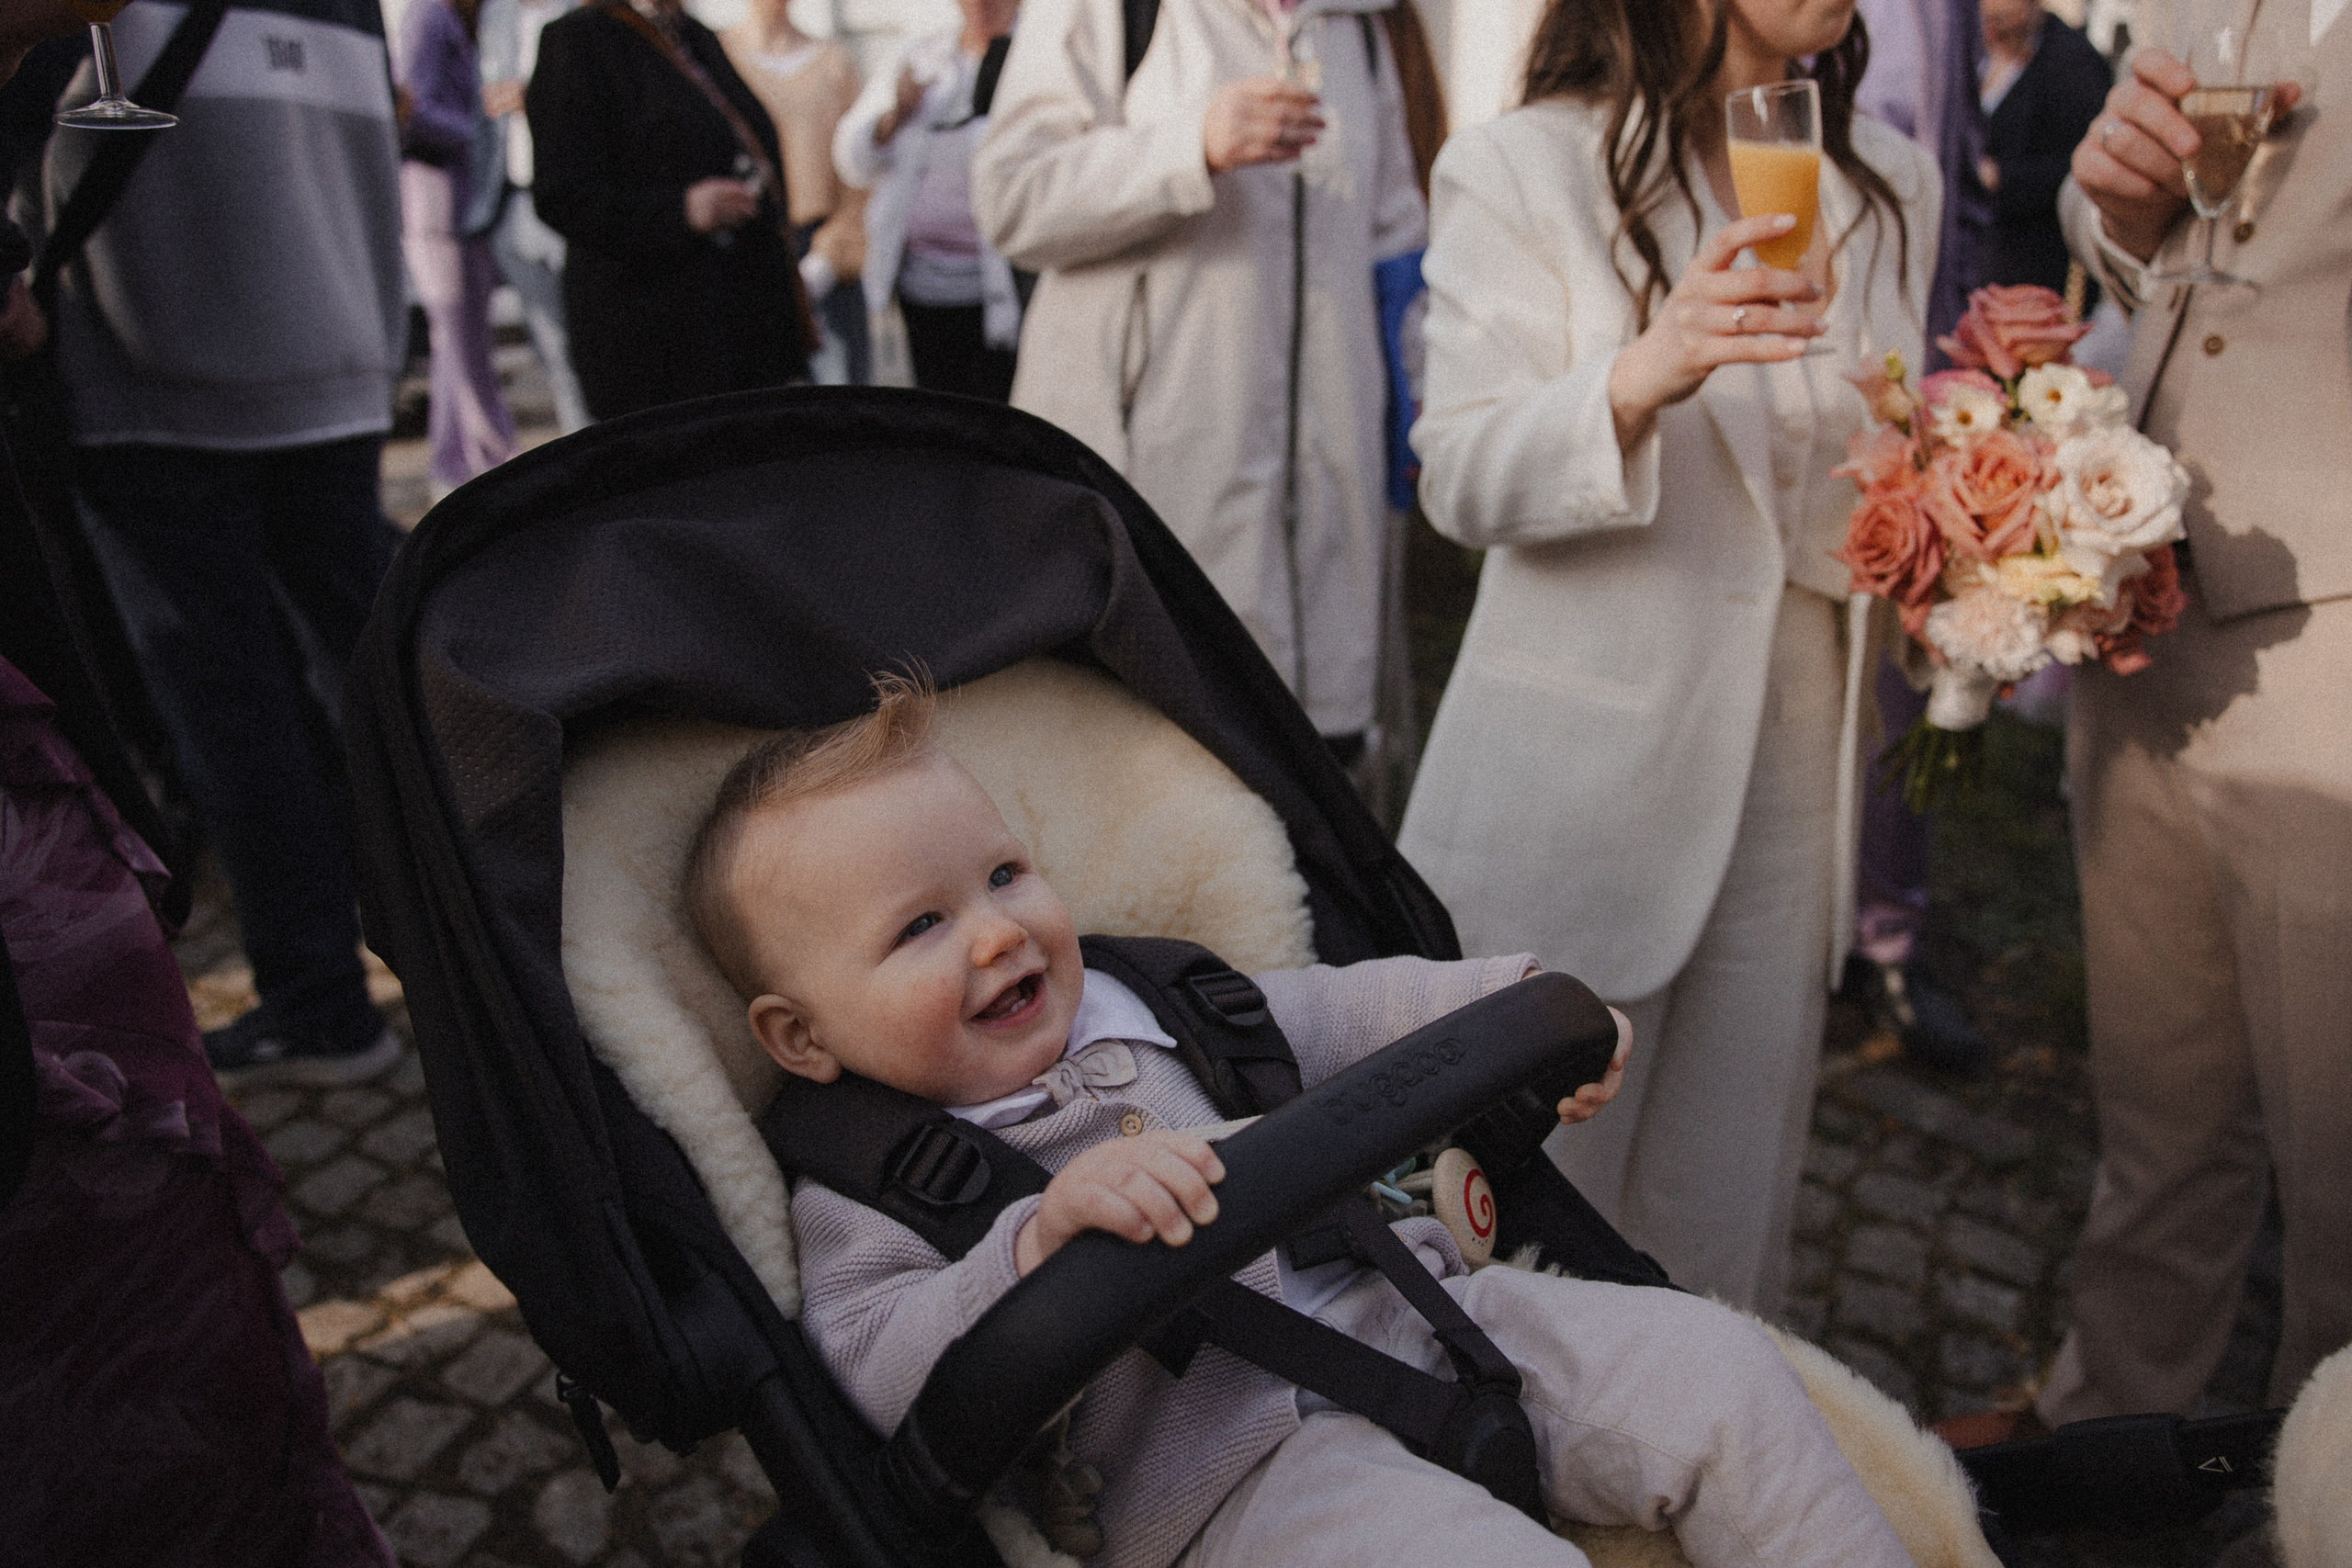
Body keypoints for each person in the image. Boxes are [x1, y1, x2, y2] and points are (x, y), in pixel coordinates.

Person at [682, 677, 1916, 1568]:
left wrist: (1514, 1001)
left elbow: (1343, 1012)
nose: (998, 931)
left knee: (1720, 1369)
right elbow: (880, 1370)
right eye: (919, 926)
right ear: (801, 1034)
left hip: (1434, 1316)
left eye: (1004, 874)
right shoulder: (868, 1178)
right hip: (1231, 1479)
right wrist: (1034, 1243)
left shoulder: (1161, 997)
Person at [1394, 0, 1939, 1315]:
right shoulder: (1524, 164)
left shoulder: (1885, 179)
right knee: (1514, 1240)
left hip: (1795, 774)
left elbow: (1860, 481)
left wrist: (1957, 507)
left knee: (1718, 1228)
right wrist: (1645, 371)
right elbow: (1458, 473)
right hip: (1581, 788)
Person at [1942, 13, 2348, 1449]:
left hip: (2337, 641)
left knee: (2340, 1153)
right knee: (2160, 1097)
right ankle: (2112, 1427)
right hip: (2152, 598)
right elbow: (2125, 237)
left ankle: (2312, 1498)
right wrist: (2108, 201)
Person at [31, 0, 407, 1086]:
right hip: (332, 349)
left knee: (236, 715)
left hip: (158, 381)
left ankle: (322, 1004)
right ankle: (463, 961)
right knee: (372, 694)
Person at [972, 0, 1427, 762]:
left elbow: (1397, 245)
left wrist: (1426, 407)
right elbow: (1012, 199)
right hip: (1154, 507)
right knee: (1157, 780)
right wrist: (1189, 147)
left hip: (1328, 533)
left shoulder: (1359, 28)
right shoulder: (1108, 10)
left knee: (1316, 787)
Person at [525, 0, 811, 421]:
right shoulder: (578, 40)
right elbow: (564, 194)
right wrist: (683, 212)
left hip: (735, 332)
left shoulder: (692, 36)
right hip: (653, 344)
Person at [835, 0, 1020, 401]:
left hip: (1003, 285)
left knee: (1003, 413)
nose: (980, 5)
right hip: (923, 287)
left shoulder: (1034, 58)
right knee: (941, 409)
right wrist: (894, 116)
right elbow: (852, 159)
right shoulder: (920, 56)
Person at [399, 0, 518, 496]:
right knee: (457, 340)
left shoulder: (461, 17)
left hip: (466, 202)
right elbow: (411, 107)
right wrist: (480, 130)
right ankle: (485, 463)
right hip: (437, 205)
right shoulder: (427, 14)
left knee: (462, 341)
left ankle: (457, 467)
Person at [724, 0, 869, 385]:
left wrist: (826, 263)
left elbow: (858, 180)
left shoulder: (833, 63)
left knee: (840, 413)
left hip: (823, 256)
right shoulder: (719, 58)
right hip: (750, 258)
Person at [477, 0, 592, 434]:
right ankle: (582, 453)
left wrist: (538, 97)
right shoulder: (499, 14)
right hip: (513, 203)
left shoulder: (580, 13)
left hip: (573, 206)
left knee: (591, 345)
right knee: (553, 350)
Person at [1970, 0, 2109, 295]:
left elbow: (2083, 165)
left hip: (2036, 266)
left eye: (2003, 18)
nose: (1994, 28)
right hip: (1979, 258)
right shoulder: (1974, 55)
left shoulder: (2074, 64)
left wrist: (2001, 176)